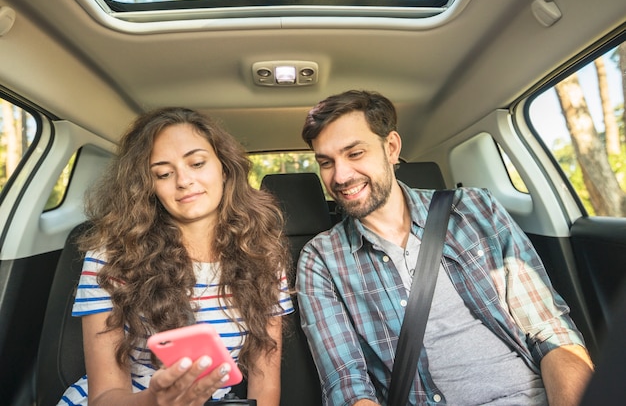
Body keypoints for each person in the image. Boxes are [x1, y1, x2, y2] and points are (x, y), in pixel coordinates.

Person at [296, 90, 594, 406]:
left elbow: (549, 330)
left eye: (355, 153)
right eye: (326, 162)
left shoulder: (477, 209)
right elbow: (347, 384)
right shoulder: (321, 259)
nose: (340, 176)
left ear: (391, 147)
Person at [58, 107, 293, 406]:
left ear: (223, 167)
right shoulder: (111, 256)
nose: (183, 181)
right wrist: (155, 401)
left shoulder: (263, 254)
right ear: (147, 185)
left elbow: (265, 383)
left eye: (196, 163)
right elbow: (104, 396)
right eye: (164, 173)